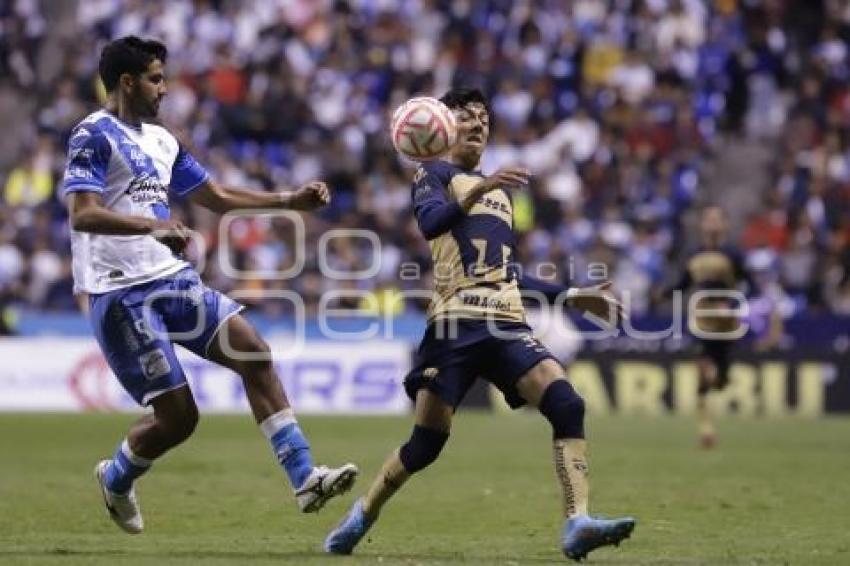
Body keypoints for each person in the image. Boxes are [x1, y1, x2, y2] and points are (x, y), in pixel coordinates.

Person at [324, 88, 635, 561]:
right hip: (454, 324)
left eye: (484, 118)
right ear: (443, 127)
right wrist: (483, 190)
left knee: (567, 404)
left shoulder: (499, 195)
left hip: (507, 320)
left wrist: (571, 296)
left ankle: (578, 522)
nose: (478, 123)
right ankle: (362, 513)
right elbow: (430, 224)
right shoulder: (434, 174)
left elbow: (508, 271)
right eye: (466, 116)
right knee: (427, 444)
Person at [62, 36, 357, 534]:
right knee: (179, 419)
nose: (165, 88)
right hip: (119, 292)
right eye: (156, 78)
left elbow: (215, 196)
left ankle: (305, 478)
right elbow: (84, 213)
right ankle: (115, 477)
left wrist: (291, 199)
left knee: (255, 352)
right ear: (128, 82)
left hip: (169, 278)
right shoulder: (92, 135)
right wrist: (154, 227)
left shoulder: (162, 140)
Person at [663, 206, 750, 448]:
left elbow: (749, 284)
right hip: (701, 318)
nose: (712, 224)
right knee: (702, 368)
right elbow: (684, 283)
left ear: (725, 225)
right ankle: (705, 429)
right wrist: (663, 293)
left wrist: (732, 304)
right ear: (702, 225)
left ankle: (719, 377)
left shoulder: (734, 254)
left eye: (716, 220)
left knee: (720, 380)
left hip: (726, 323)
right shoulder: (693, 253)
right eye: (708, 220)